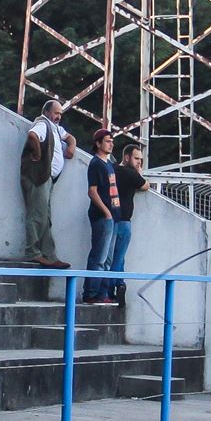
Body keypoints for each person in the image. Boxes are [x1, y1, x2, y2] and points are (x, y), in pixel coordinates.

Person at [20, 98, 76, 268]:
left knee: (45, 217)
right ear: (46, 112)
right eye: (56, 113)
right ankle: (33, 252)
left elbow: (70, 137)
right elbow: (32, 136)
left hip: (47, 179)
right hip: (38, 177)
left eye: (60, 113)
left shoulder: (55, 128)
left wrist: (71, 147)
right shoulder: (42, 124)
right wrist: (37, 155)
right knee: (37, 215)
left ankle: (49, 255)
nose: (58, 116)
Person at [105, 144, 149, 307]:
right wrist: (140, 173)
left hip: (110, 219)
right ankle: (115, 286)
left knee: (110, 257)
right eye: (137, 159)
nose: (139, 162)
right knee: (118, 257)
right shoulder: (131, 174)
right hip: (123, 221)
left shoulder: (113, 169)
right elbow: (145, 185)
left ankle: (116, 285)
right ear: (127, 157)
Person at [82, 128, 121, 305]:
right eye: (107, 140)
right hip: (103, 216)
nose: (111, 143)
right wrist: (106, 212)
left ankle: (102, 293)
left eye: (111, 140)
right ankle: (91, 293)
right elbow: (92, 191)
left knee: (108, 258)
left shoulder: (109, 164)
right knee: (99, 256)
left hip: (113, 216)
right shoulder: (96, 164)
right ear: (98, 143)